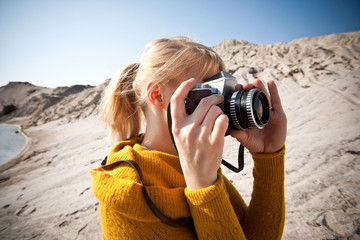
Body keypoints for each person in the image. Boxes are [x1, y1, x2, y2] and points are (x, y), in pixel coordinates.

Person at [90, 37, 287, 239]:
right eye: (209, 91)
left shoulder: (194, 159)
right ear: (157, 95)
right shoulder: (129, 190)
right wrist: (202, 187)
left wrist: (268, 156)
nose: (220, 104)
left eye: (223, 92)